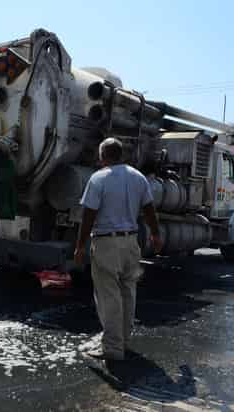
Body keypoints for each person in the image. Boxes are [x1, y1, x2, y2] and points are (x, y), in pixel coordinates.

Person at [74, 137, 162, 361]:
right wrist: (155, 234)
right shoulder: (138, 177)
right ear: (121, 155)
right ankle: (122, 339)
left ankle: (112, 347)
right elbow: (149, 209)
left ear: (103, 156)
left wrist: (80, 246)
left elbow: (88, 215)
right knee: (127, 291)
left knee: (108, 295)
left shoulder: (98, 178)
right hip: (131, 242)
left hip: (106, 243)